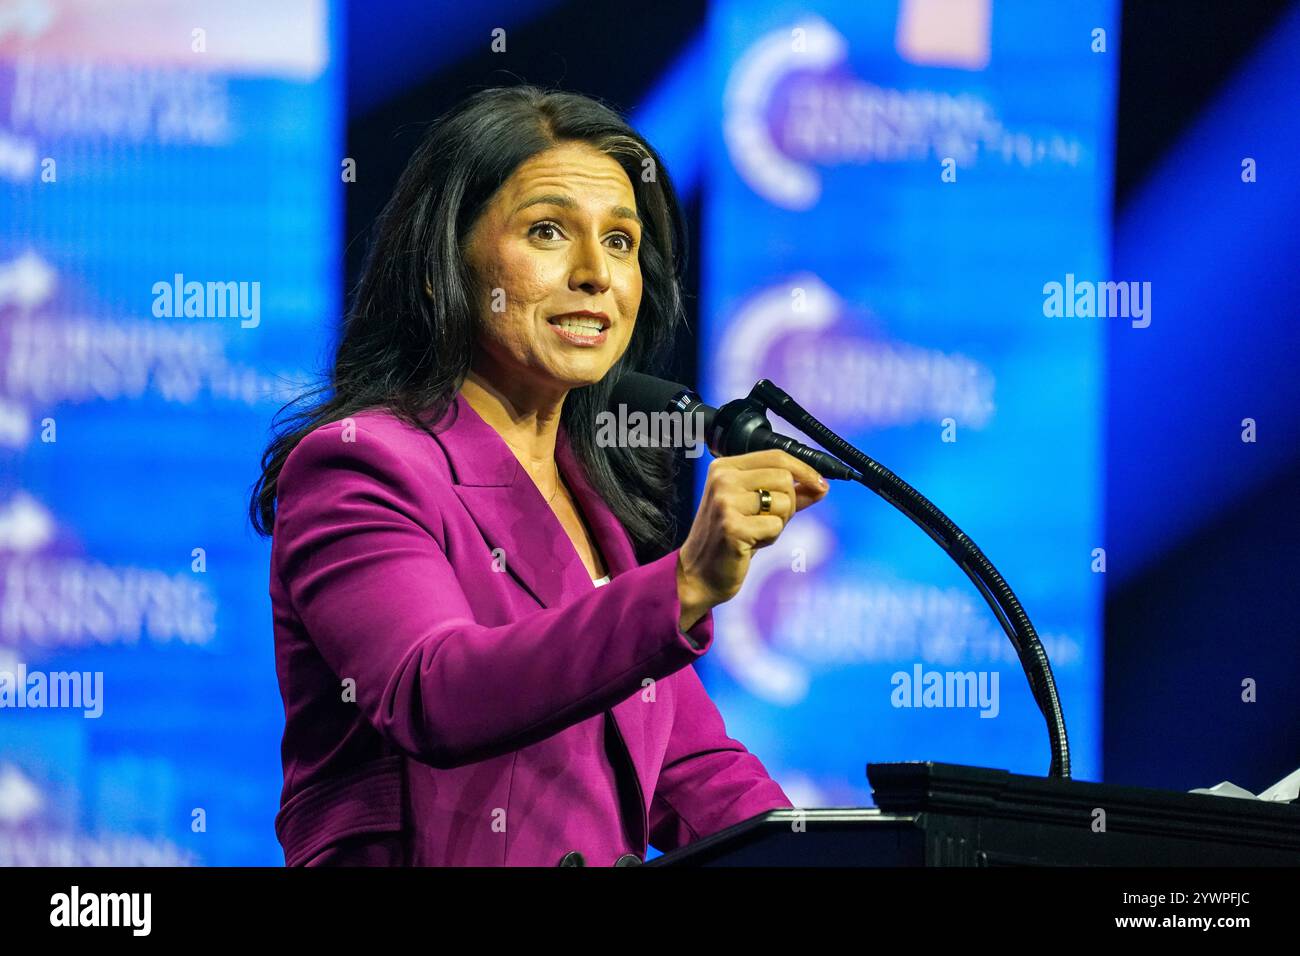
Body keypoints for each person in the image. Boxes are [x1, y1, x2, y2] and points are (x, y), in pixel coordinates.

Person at [249, 85, 830, 866]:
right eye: (549, 231)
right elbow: (433, 691)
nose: (596, 273)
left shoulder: (597, 513)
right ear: (441, 266)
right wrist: (685, 582)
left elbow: (693, 774)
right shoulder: (361, 463)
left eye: (621, 242)